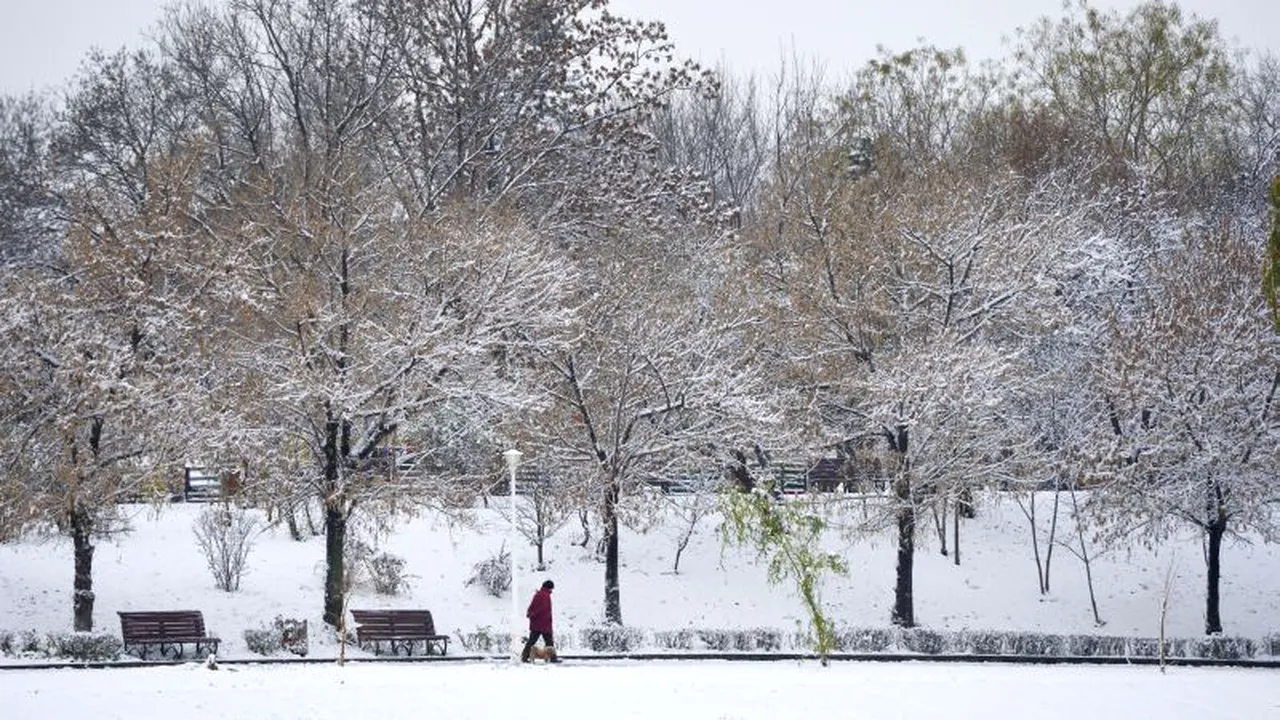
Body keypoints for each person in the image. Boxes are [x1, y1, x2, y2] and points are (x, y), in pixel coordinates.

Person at [521, 579, 560, 662]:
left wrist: (532, 615)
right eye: (551, 588)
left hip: (538, 623)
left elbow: (533, 607)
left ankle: (524, 656)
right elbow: (542, 609)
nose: (551, 590)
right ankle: (553, 658)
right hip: (543, 623)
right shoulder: (544, 595)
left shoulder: (539, 594)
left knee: (532, 641)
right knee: (548, 641)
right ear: (548, 588)